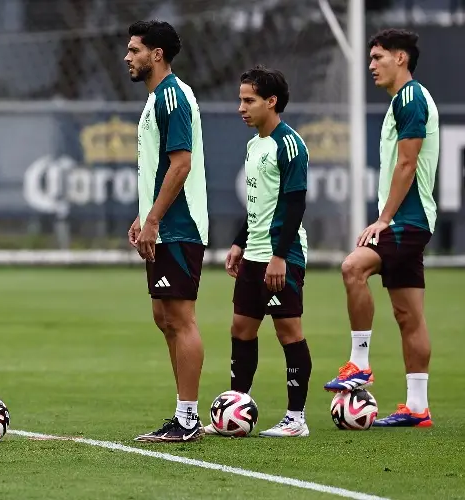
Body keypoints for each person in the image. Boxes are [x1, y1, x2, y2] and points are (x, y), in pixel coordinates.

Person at [324, 29, 439, 428]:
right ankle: (417, 407)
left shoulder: (410, 99)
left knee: (352, 267)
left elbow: (408, 164)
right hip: (411, 220)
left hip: (408, 221)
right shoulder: (402, 102)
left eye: (378, 57)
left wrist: (384, 219)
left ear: (401, 58)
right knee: (409, 315)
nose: (371, 65)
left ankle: (359, 364)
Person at [205, 66, 312, 438]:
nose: (241, 107)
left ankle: (296, 419)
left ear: (272, 101)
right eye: (240, 99)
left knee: (289, 332)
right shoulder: (254, 145)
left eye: (248, 100)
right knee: (241, 328)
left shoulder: (290, 144)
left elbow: (294, 205)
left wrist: (279, 256)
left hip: (282, 256)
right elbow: (257, 204)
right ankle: (237, 407)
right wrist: (239, 241)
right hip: (254, 254)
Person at [124, 20, 209, 443]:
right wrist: (144, 215)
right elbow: (159, 167)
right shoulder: (158, 97)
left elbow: (181, 164)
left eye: (135, 49)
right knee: (164, 317)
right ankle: (183, 413)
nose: (128, 57)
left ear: (156, 55)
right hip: (164, 223)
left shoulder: (173, 97)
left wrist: (155, 218)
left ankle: (188, 419)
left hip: (180, 225)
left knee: (180, 317)